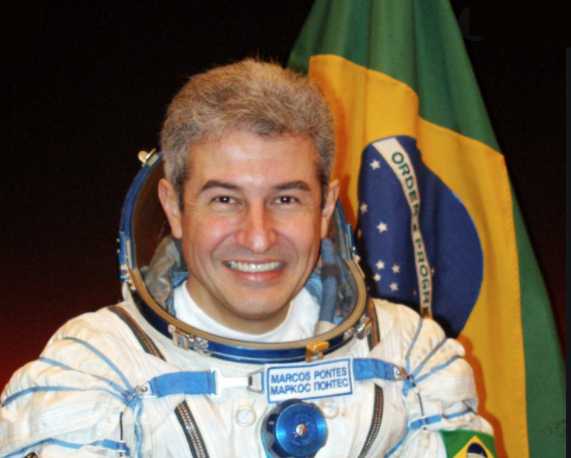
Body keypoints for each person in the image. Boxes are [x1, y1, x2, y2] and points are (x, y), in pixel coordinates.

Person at [0, 59, 496, 457]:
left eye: (286, 199)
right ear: (174, 208)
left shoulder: (410, 361)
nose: (258, 238)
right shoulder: (93, 374)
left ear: (326, 208)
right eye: (225, 199)